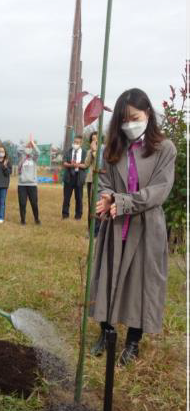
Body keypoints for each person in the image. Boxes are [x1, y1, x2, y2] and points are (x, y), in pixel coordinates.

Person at [89, 88, 176, 365]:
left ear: (148, 114)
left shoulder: (165, 149)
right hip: (115, 226)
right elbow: (104, 183)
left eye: (135, 118)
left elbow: (159, 191)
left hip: (146, 227)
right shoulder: (113, 148)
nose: (129, 125)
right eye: (123, 121)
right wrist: (104, 199)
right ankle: (106, 331)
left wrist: (123, 201)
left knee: (141, 284)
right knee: (109, 278)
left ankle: (133, 342)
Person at [62, 134, 87, 219]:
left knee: (79, 198)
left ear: (81, 143)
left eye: (78, 142)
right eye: (75, 142)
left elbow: (86, 165)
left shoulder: (84, 153)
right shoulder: (68, 151)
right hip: (69, 176)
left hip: (79, 177)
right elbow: (64, 162)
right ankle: (65, 215)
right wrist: (71, 165)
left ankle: (78, 216)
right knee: (66, 197)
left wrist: (77, 165)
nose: (76, 144)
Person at [18, 141, 41, 225]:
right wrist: (26, 143)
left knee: (34, 203)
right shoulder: (21, 156)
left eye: (30, 147)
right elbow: (18, 149)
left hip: (32, 184)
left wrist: (33, 144)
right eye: (28, 147)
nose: (28, 148)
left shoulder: (34, 158)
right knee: (22, 203)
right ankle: (23, 220)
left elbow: (38, 152)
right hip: (22, 184)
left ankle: (36, 219)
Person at [84, 131, 101, 237]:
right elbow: (86, 164)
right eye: (93, 139)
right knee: (91, 205)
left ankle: (98, 229)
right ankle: (90, 229)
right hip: (91, 180)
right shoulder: (89, 151)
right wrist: (91, 152)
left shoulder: (103, 150)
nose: (94, 141)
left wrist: (95, 151)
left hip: (99, 180)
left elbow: (99, 163)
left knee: (98, 204)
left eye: (96, 139)